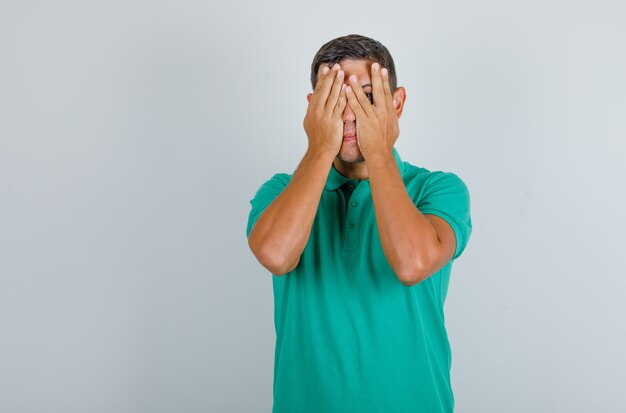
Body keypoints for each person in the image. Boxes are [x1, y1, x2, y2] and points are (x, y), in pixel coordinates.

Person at [245, 34, 472, 413]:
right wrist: (320, 148)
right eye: (334, 97)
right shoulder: (280, 190)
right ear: (314, 107)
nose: (350, 114)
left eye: (367, 97)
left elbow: (412, 263)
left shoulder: (438, 189)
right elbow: (276, 255)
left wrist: (378, 149)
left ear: (396, 103)